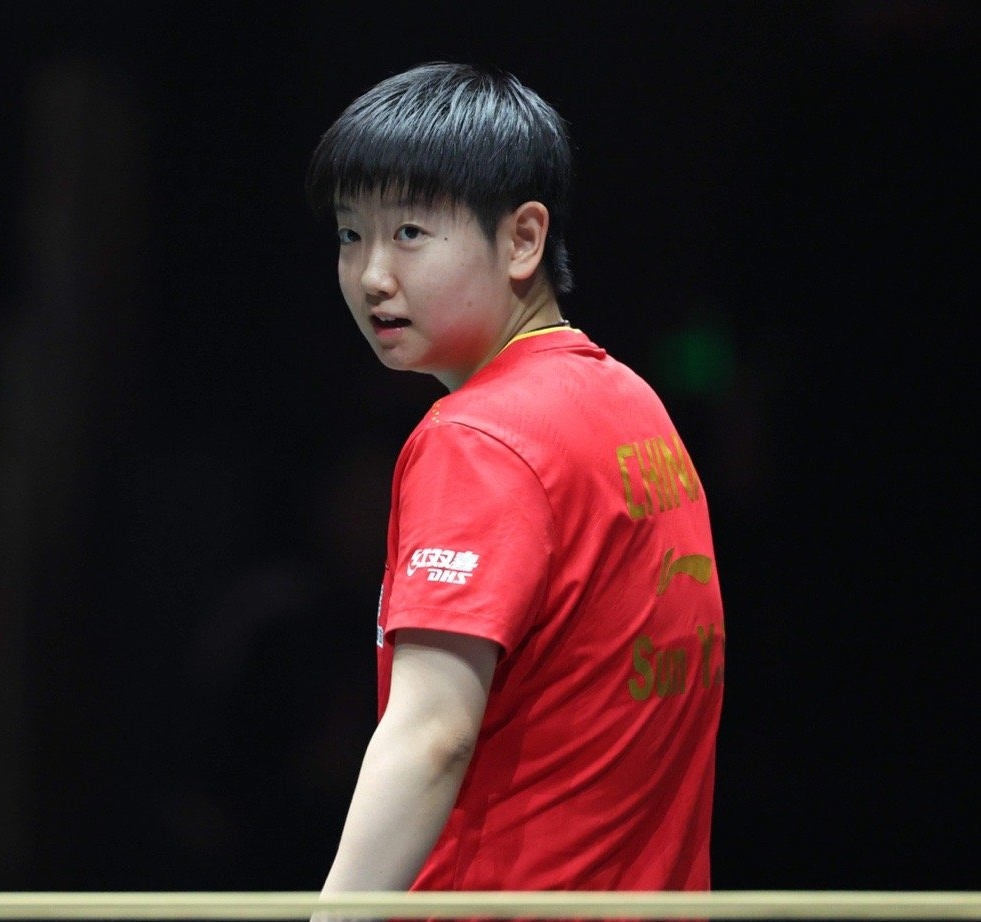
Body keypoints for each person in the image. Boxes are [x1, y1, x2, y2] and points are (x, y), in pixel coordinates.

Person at [302, 62, 725, 904]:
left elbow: (432, 735)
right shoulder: (629, 403)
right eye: (351, 235)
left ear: (524, 239)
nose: (372, 274)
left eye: (410, 232)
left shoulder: (477, 439)